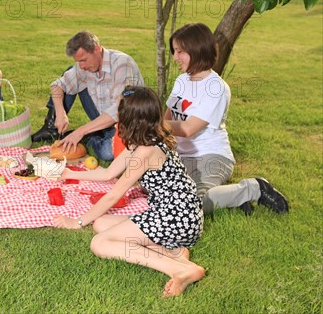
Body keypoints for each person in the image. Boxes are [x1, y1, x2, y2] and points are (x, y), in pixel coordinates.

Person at [54, 86, 205, 297]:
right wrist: (72, 174)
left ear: (131, 120)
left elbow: (115, 194)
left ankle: (181, 270)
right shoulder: (145, 138)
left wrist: (78, 221)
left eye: (119, 111)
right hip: (177, 212)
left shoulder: (145, 151)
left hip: (177, 218)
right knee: (101, 223)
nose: (116, 117)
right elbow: (109, 173)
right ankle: (174, 253)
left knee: (100, 243)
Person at [165, 23, 288, 214]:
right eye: (174, 51)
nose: (175, 58)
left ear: (197, 50)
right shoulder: (182, 81)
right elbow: (168, 116)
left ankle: (254, 188)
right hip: (182, 156)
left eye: (180, 51)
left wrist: (151, 124)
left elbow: (188, 128)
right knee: (158, 193)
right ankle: (232, 199)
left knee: (190, 205)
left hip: (211, 157)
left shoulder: (216, 88)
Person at [31, 30, 144, 161]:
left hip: (126, 122)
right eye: (78, 61)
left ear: (96, 49)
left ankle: (89, 138)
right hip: (101, 116)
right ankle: (51, 128)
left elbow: (119, 111)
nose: (82, 66)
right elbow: (56, 86)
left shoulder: (122, 64)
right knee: (69, 74)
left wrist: (81, 131)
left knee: (108, 154)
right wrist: (60, 113)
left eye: (84, 60)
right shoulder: (85, 66)